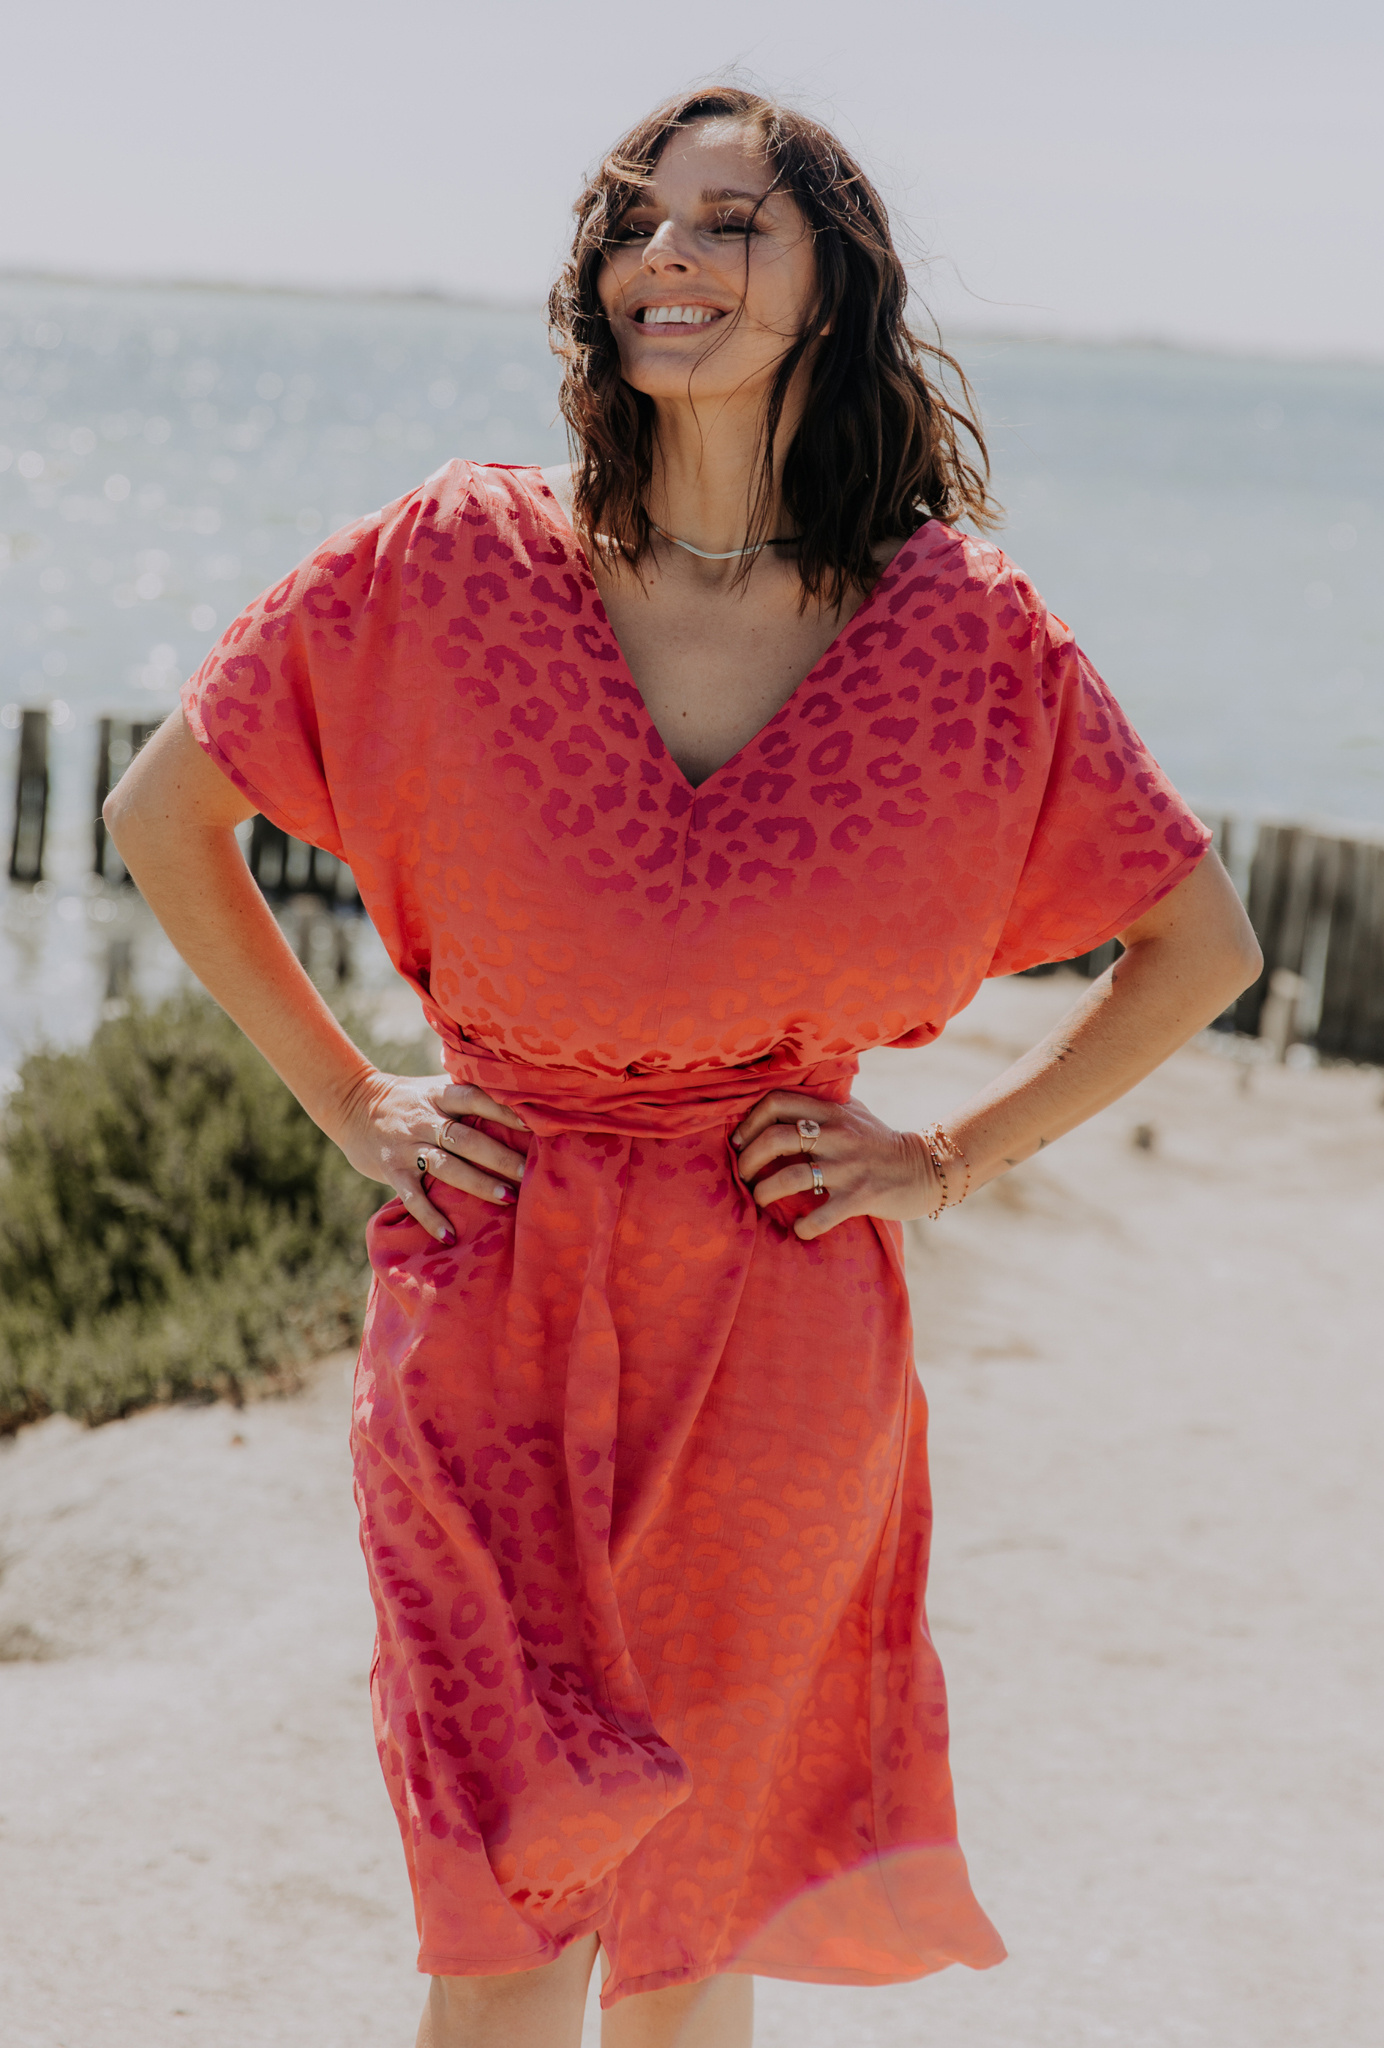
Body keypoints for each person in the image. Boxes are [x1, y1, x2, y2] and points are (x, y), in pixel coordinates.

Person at [107, 84, 1261, 2048]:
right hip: (493, 1295)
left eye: (732, 223)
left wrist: (948, 1158)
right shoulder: (453, 562)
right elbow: (165, 813)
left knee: (690, 1923)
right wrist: (352, 1097)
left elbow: (1199, 942)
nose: (672, 255)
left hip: (777, 1322)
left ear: (835, 285)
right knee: (503, 1916)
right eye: (641, 222)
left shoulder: (960, 632)